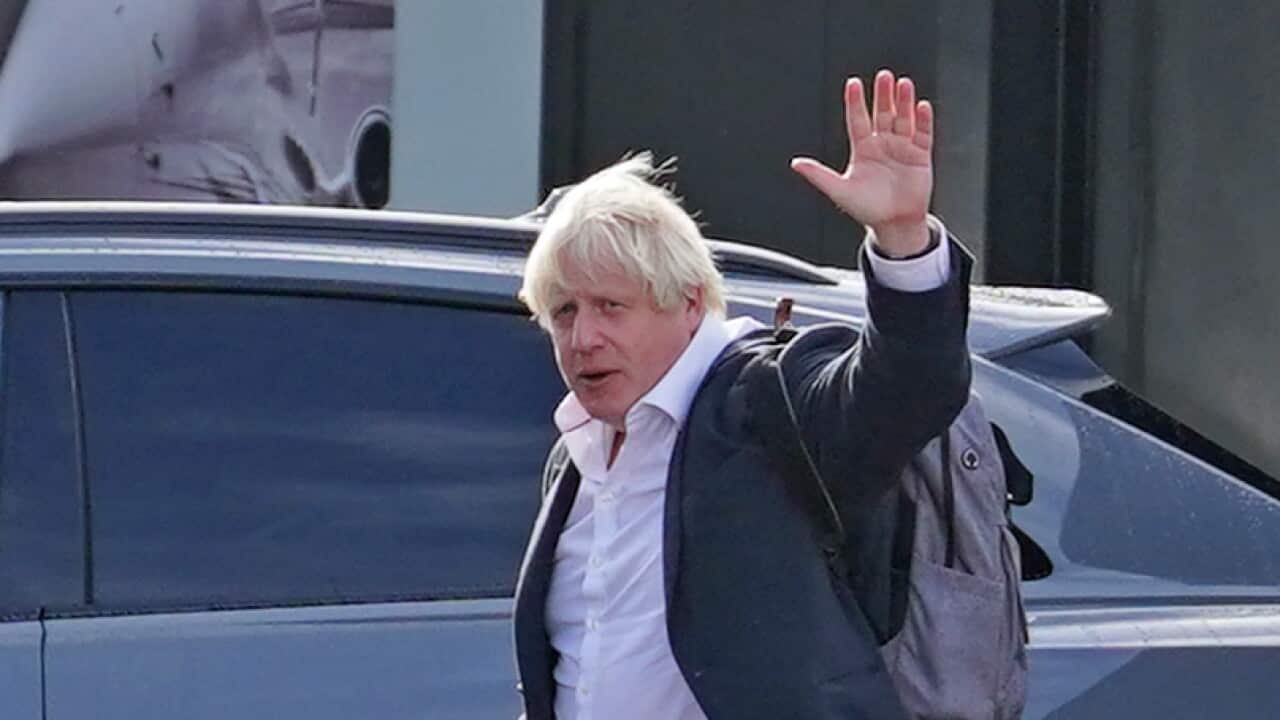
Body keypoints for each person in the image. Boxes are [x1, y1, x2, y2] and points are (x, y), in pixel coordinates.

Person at [513, 69, 972, 719]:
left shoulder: (765, 402)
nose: (582, 337)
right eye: (563, 312)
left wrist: (902, 240)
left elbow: (910, 388)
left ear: (689, 302)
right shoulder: (577, 456)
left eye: (611, 307)